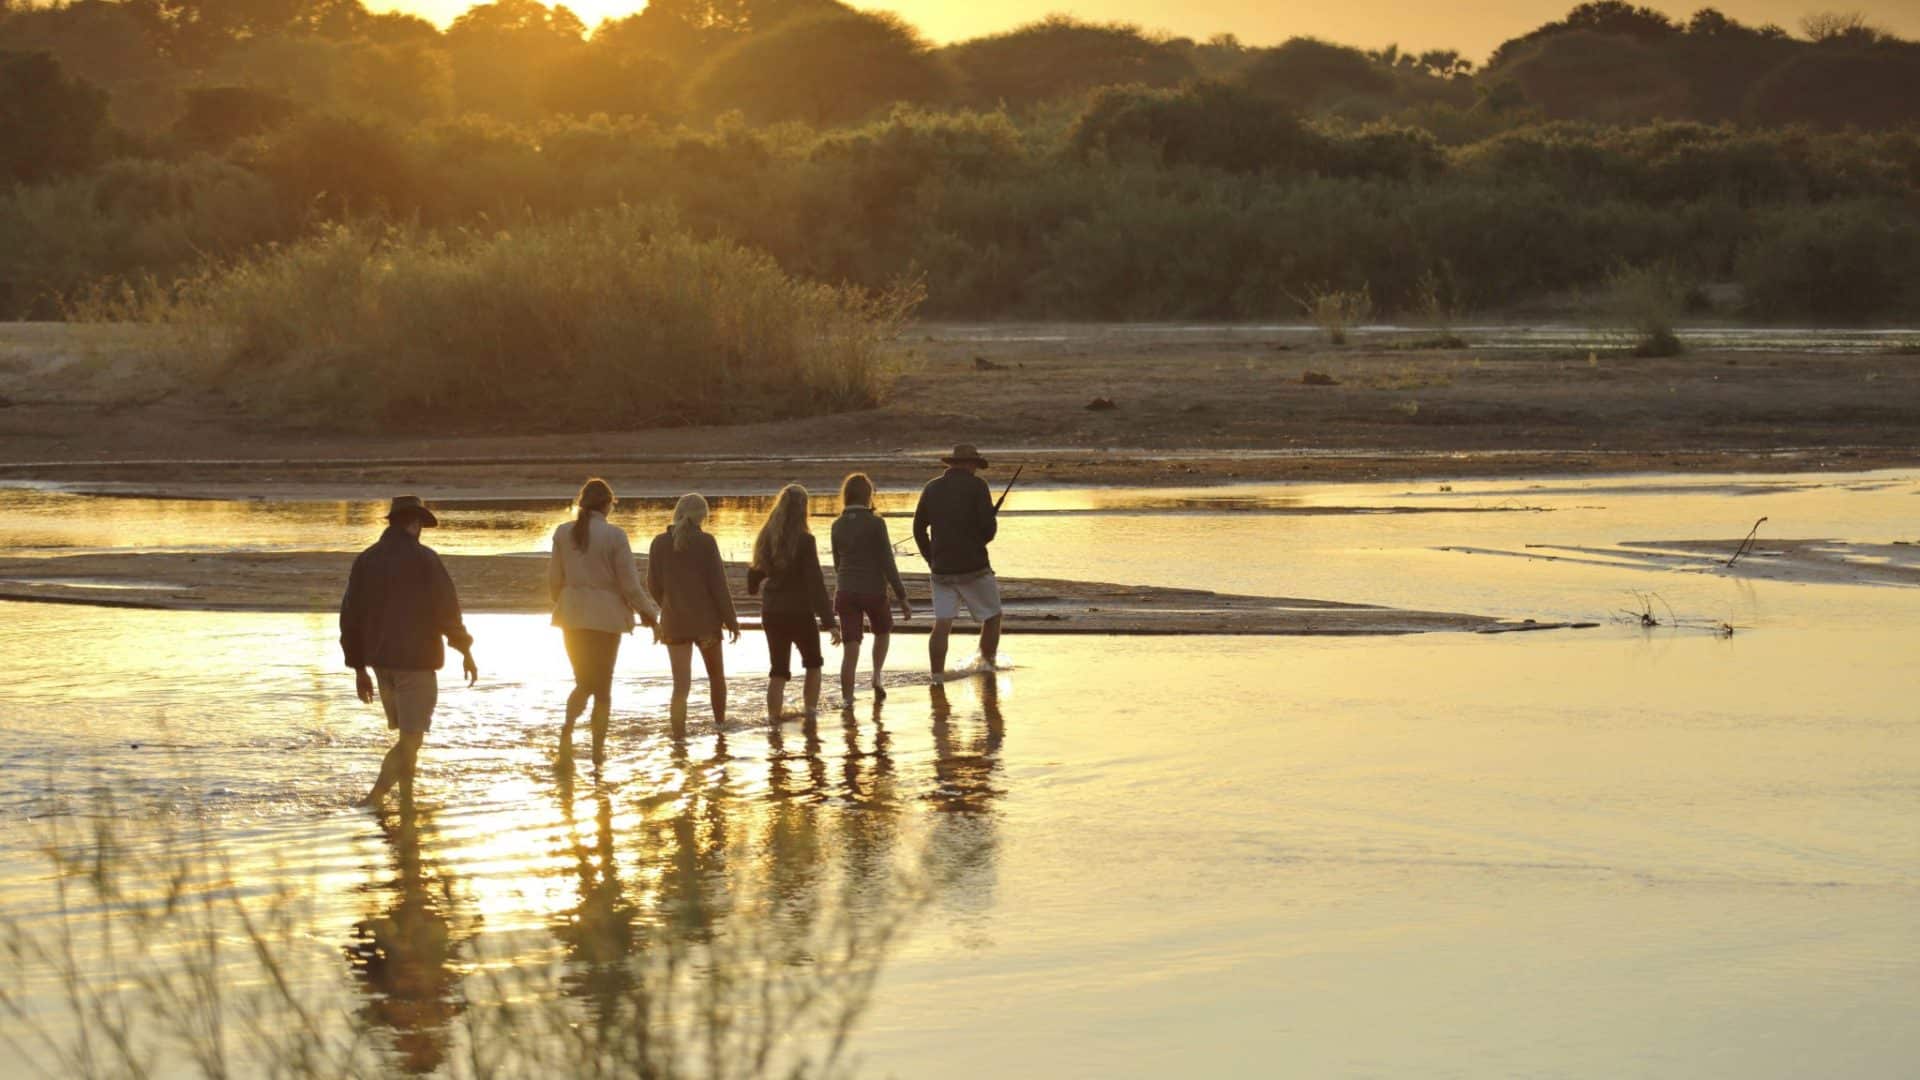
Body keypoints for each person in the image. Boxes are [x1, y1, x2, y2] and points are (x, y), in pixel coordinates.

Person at [340, 495, 477, 807]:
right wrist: (465, 650)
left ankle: (406, 801)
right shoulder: (425, 559)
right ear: (415, 523)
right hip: (415, 662)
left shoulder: (366, 559)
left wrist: (359, 668)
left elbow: (350, 616)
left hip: (380, 663)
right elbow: (447, 611)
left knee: (407, 738)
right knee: (412, 739)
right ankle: (375, 798)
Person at [549, 478, 659, 765]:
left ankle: (567, 732)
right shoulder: (615, 536)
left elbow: (553, 583)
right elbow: (630, 586)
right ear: (608, 504)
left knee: (583, 681)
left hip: (571, 617)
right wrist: (650, 614)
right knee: (602, 686)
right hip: (607, 620)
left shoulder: (562, 533)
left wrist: (567, 600)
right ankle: (598, 751)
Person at [647, 493, 741, 734]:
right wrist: (731, 621)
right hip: (706, 624)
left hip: (674, 623)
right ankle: (720, 726)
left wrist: (668, 604)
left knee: (680, 686)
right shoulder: (707, 542)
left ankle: (678, 736)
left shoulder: (658, 543)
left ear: (677, 512)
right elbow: (718, 586)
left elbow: (652, 585)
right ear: (702, 516)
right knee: (716, 677)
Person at [747, 484, 839, 720]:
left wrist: (755, 586)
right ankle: (810, 715)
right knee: (813, 663)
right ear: (803, 509)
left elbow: (754, 574)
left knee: (778, 671)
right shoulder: (805, 541)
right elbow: (815, 583)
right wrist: (830, 621)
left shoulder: (766, 536)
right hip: (799, 612)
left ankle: (774, 722)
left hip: (772, 612)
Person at [912, 444, 1002, 677]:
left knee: (942, 623)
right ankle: (986, 666)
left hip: (941, 569)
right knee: (992, 616)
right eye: (975, 465)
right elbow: (988, 532)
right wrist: (985, 529)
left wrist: (931, 558)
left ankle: (936, 678)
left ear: (952, 464)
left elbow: (918, 528)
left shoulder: (931, 488)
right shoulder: (977, 486)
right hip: (974, 568)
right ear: (971, 464)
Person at [830, 472, 913, 703]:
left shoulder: (836, 525)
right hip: (873, 590)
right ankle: (876, 676)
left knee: (851, 646)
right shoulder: (876, 523)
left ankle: (848, 699)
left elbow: (838, 563)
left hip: (845, 591)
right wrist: (902, 596)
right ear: (868, 496)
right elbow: (888, 561)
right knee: (883, 631)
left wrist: (848, 582)